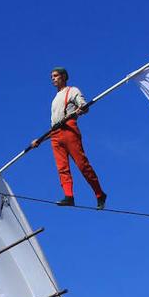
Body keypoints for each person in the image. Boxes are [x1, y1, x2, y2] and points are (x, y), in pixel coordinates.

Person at [31, 67, 107, 208]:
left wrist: (81, 109)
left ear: (64, 77)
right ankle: (69, 196)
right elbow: (54, 124)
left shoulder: (72, 91)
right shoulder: (54, 99)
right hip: (55, 134)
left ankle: (99, 193)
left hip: (69, 129)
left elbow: (84, 106)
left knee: (82, 165)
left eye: (55, 76)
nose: (53, 79)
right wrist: (39, 141)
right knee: (62, 168)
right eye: (52, 77)